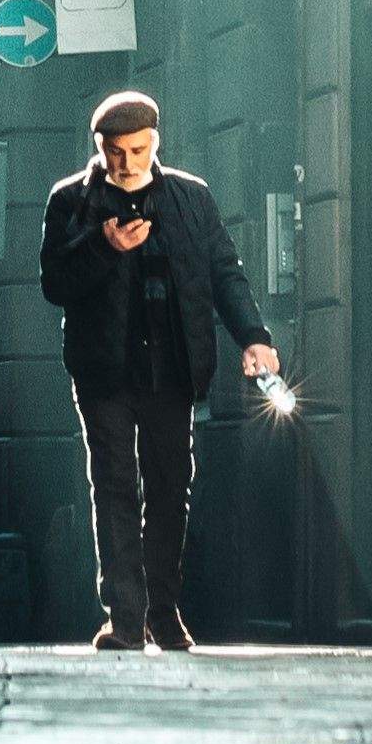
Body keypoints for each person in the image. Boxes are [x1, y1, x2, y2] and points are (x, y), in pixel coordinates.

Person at [37, 88, 280, 650]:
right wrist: (103, 245)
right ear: (99, 148)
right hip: (104, 373)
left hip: (173, 368)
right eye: (115, 153)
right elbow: (54, 283)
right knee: (115, 488)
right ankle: (124, 617)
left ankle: (162, 610)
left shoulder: (191, 199)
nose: (126, 164)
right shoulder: (70, 201)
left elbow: (225, 272)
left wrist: (254, 338)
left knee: (171, 489)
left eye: (138, 150)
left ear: (156, 142)